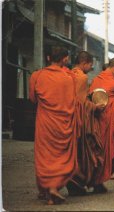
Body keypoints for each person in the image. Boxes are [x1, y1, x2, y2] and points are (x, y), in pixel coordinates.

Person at [29, 46, 78, 204]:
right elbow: (73, 101)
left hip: (46, 123)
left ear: (48, 58)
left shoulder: (37, 76)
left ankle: (47, 190)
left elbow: (32, 99)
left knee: (45, 156)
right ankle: (52, 189)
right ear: (65, 59)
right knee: (61, 156)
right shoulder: (69, 78)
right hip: (64, 124)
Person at [66, 51, 105, 196]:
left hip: (69, 118)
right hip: (83, 120)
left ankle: (81, 182)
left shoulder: (69, 74)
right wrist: (96, 107)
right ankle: (83, 182)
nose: (90, 68)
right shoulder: (81, 77)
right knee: (93, 150)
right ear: (84, 63)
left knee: (78, 152)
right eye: (90, 65)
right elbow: (81, 103)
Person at [88, 57, 114, 191]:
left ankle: (97, 181)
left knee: (97, 150)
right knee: (104, 152)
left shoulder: (97, 79)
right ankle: (98, 181)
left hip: (96, 119)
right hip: (106, 120)